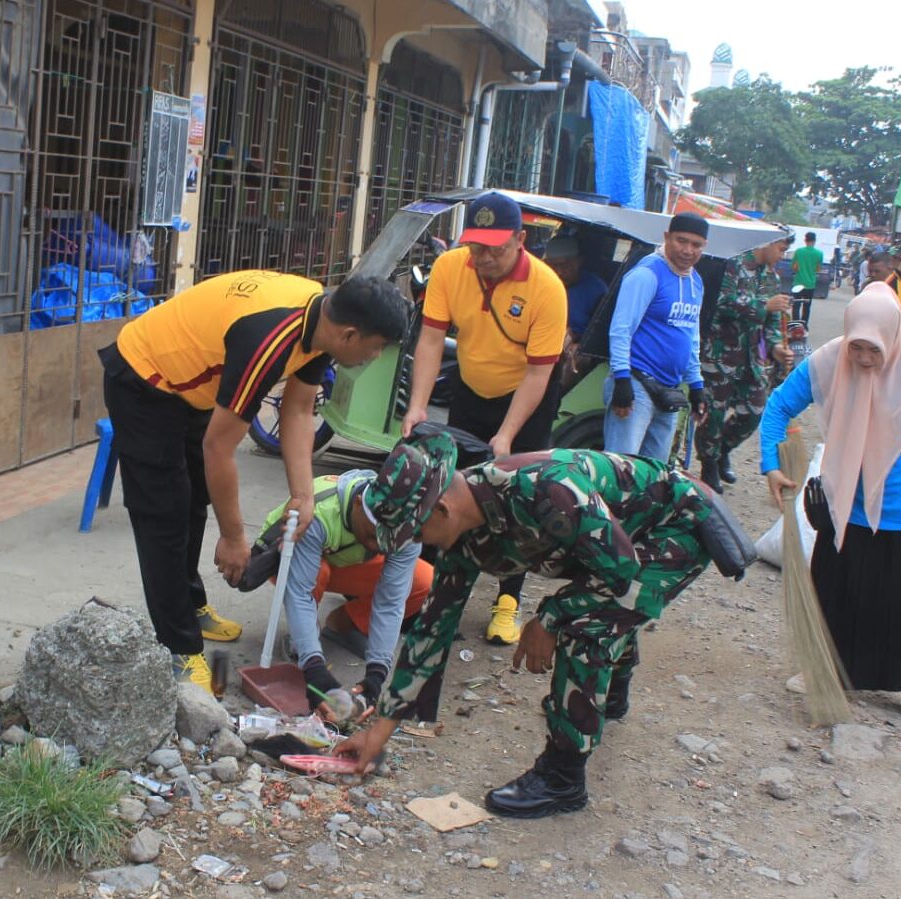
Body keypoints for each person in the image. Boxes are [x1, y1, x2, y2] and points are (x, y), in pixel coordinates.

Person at [328, 433, 714, 816]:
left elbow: (621, 571)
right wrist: (379, 732)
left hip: (677, 527)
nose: (418, 543)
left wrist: (546, 619)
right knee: (596, 603)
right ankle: (611, 695)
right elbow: (432, 628)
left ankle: (563, 777)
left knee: (584, 621)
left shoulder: (544, 490)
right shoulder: (464, 527)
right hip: (618, 540)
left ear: (442, 510)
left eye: (416, 532)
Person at [100, 272, 409, 690]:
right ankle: (178, 648)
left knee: (193, 499)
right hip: (145, 379)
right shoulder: (269, 341)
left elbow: (298, 410)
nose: (373, 359)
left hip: (193, 387)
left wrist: (303, 495)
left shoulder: (321, 322)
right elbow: (219, 449)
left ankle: (188, 605)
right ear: (350, 335)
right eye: (375, 350)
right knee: (164, 514)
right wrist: (232, 538)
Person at [762, 284, 901, 728]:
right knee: (838, 590)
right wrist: (770, 464)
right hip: (846, 499)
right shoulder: (828, 359)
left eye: (872, 349)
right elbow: (779, 406)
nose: (862, 359)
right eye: (856, 347)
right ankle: (829, 669)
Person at [402, 191, 569, 645]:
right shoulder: (451, 268)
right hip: (471, 389)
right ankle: (434, 595)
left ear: (520, 239)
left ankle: (507, 602)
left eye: (496, 248)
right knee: (451, 490)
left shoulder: (547, 288)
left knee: (518, 499)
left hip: (526, 399)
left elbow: (539, 372)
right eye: (477, 247)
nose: (485, 257)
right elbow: (432, 340)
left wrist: (507, 436)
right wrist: (418, 405)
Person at [240, 471, 430, 714]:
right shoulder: (319, 513)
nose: (378, 546)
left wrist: (376, 676)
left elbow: (391, 602)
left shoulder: (407, 531)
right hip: (290, 556)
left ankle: (344, 623)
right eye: (373, 535)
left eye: (387, 541)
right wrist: (314, 669)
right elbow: (300, 592)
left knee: (423, 583)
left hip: (345, 562)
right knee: (317, 574)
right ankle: (305, 644)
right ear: (360, 503)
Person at [604, 212, 709, 459]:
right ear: (666, 237)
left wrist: (696, 385)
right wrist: (621, 379)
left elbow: (692, 335)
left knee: (655, 474)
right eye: (681, 241)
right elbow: (621, 329)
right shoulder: (647, 274)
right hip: (636, 383)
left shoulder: (696, 282)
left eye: (696, 245)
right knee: (623, 468)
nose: (688, 250)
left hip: (669, 389)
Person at [697, 235, 794, 490]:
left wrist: (776, 348)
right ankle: (708, 463)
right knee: (714, 413)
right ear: (769, 243)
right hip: (720, 355)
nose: (782, 255)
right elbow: (722, 303)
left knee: (753, 412)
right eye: (781, 249)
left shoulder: (770, 278)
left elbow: (772, 324)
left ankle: (723, 450)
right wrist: (764, 305)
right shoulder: (733, 265)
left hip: (752, 358)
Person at [544, 235, 610, 371]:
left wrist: (576, 338)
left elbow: (602, 334)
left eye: (565, 265)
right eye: (553, 266)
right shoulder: (541, 283)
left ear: (579, 261)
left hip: (576, 346)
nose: (560, 272)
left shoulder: (596, 290)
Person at [791, 232, 824, 324]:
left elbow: (794, 267)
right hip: (810, 284)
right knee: (807, 307)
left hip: (798, 283)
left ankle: (795, 325)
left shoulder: (799, 251)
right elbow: (818, 269)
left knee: (796, 305)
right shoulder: (819, 253)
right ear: (814, 241)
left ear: (805, 240)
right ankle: (804, 325)